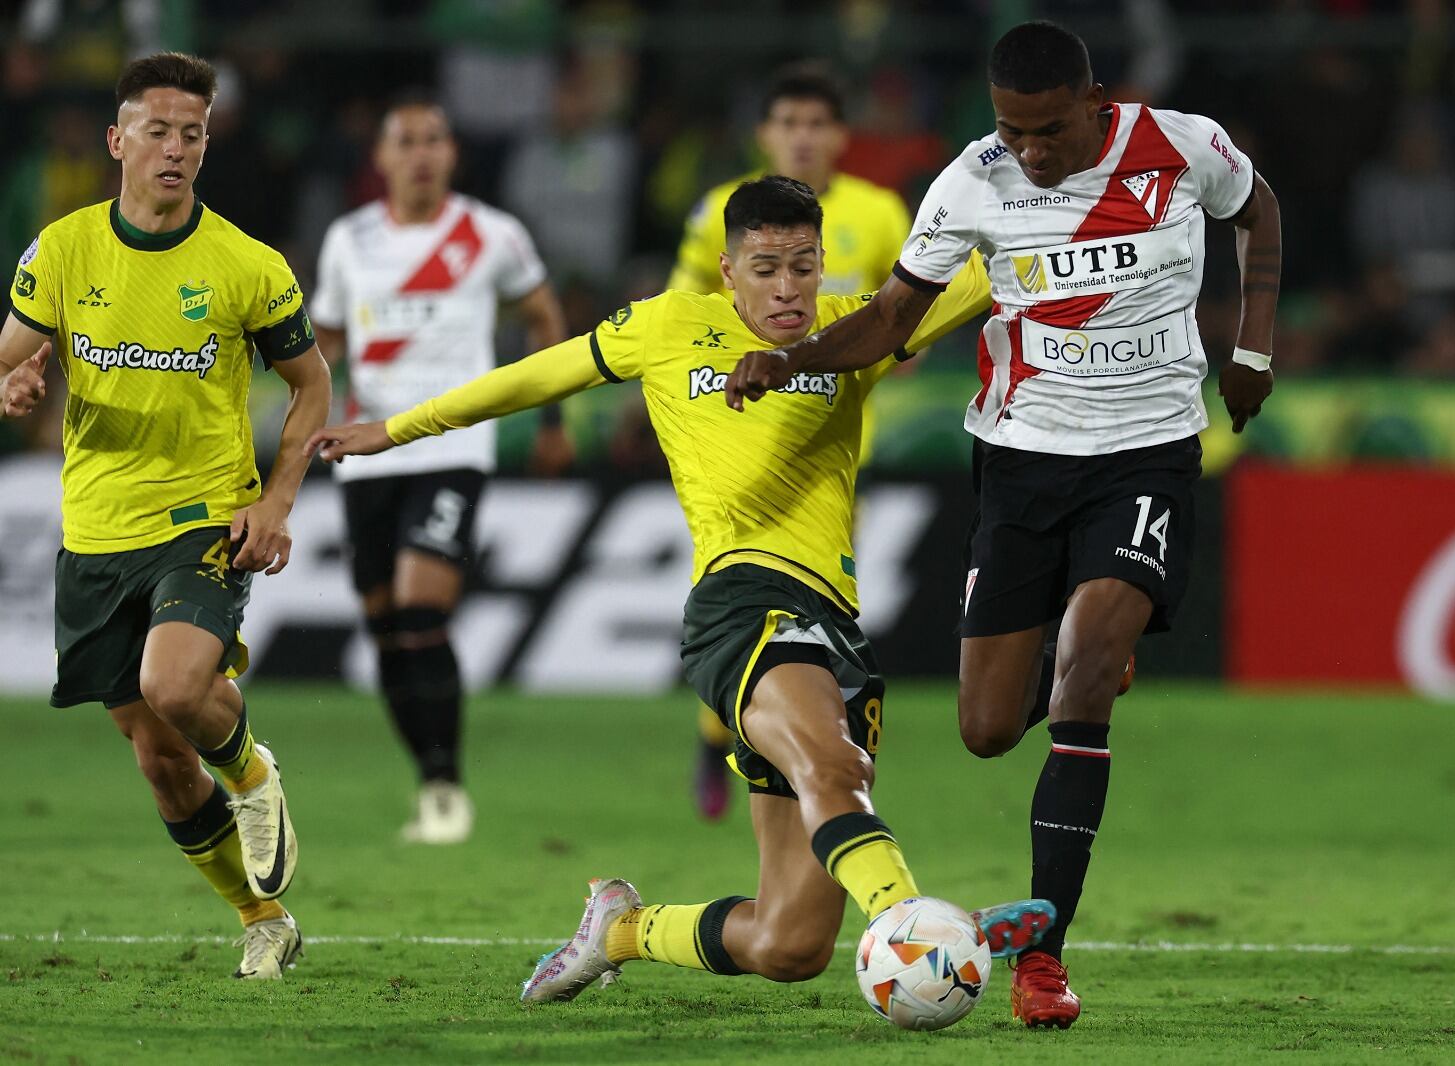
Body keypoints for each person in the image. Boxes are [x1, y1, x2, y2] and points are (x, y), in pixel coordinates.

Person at [306, 176, 1055, 1007]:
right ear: (728, 270)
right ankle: (919, 925)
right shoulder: (666, 326)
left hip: (837, 624)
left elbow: (1007, 262)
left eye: (804, 267)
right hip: (740, 604)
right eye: (766, 267)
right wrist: (397, 428)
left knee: (791, 942)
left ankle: (621, 929)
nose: (787, 289)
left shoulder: (857, 330)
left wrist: (1069, 188)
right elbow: (532, 377)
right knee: (833, 768)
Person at [723, 22, 1280, 1028]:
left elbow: (1260, 212)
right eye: (1010, 130)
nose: (1028, 150)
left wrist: (1254, 348)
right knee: (984, 728)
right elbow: (894, 317)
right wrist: (791, 359)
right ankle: (1093, 651)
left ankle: (1043, 954)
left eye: (1048, 131)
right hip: (1019, 461)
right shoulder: (972, 180)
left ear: (1094, 102)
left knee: (1079, 681)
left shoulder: (1182, 144)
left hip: (1144, 455)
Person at [0, 53, 332, 979]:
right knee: (157, 759)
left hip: (202, 520)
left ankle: (257, 775)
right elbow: (10, 355)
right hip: (96, 533)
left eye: (192, 133)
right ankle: (262, 916)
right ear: (118, 141)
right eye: (157, 130)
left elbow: (312, 386)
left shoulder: (245, 266)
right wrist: (17, 377)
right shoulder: (61, 250)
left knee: (179, 689)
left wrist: (276, 500)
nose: (175, 148)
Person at [308, 92, 567, 845]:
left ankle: (448, 784)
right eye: (406, 140)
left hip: (452, 448)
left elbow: (544, 319)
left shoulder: (492, 235)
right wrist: (303, 417)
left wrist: (551, 421)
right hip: (363, 449)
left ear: (451, 153)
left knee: (424, 609)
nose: (421, 153)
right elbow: (322, 340)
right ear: (382, 157)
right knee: (385, 622)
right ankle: (430, 779)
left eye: (433, 139)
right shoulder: (349, 240)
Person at [668, 64, 914, 821]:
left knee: (818, 612)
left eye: (817, 124)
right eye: (789, 124)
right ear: (765, 133)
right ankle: (727, 745)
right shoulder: (723, 211)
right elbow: (683, 312)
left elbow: (909, 310)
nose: (802, 138)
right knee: (741, 605)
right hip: (734, 443)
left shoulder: (876, 214)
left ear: (840, 135)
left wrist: (875, 355)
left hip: (831, 452)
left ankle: (799, 757)